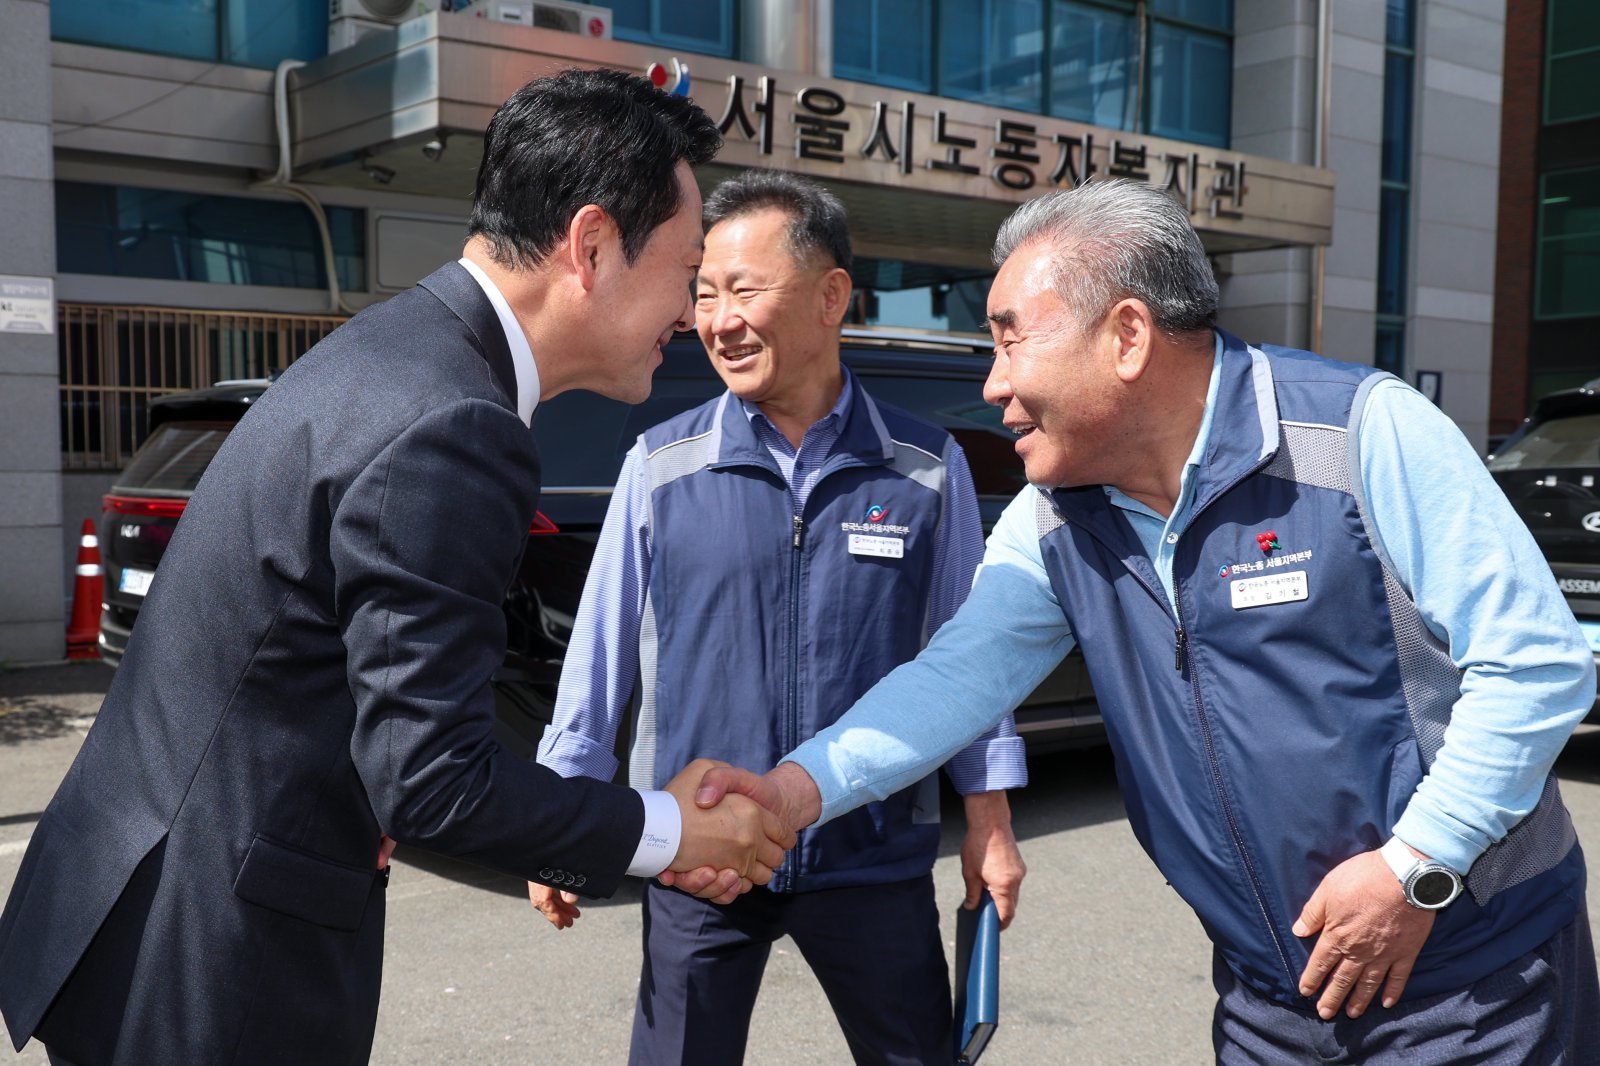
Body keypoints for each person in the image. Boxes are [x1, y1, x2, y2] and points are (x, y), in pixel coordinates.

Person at [683, 179, 1600, 1062]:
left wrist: (1417, 866)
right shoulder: (1054, 516)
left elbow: (1537, 665)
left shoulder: (1358, 433)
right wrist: (793, 792)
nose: (992, 384)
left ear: (1127, 335)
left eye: (1010, 340)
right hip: (1269, 999)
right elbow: (954, 679)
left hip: (1470, 982)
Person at [0, 69, 794, 1066]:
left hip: (148, 909)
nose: (688, 313)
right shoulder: (456, 423)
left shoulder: (399, 348)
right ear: (591, 246)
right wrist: (671, 830)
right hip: (209, 965)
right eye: (686, 270)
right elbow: (430, 782)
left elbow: (315, 674)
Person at [530, 169, 1028, 1065]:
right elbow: (598, 660)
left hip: (872, 853)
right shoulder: (661, 464)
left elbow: (968, 659)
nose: (718, 320)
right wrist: (560, 817)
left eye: (744, 290)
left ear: (831, 295)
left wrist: (989, 822)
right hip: (699, 855)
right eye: (704, 293)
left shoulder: (925, 466)